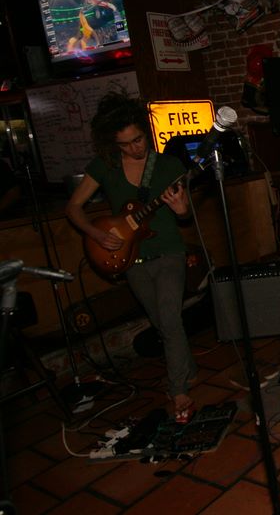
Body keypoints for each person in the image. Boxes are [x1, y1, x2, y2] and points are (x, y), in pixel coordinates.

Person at [65, 91, 197, 423]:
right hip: (131, 257)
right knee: (162, 323)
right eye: (125, 144)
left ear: (145, 131)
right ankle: (187, 368)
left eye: (138, 140)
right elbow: (74, 207)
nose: (134, 148)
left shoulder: (168, 165)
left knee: (170, 319)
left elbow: (185, 215)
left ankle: (179, 389)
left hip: (169, 251)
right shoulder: (105, 167)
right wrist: (96, 234)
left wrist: (181, 209)